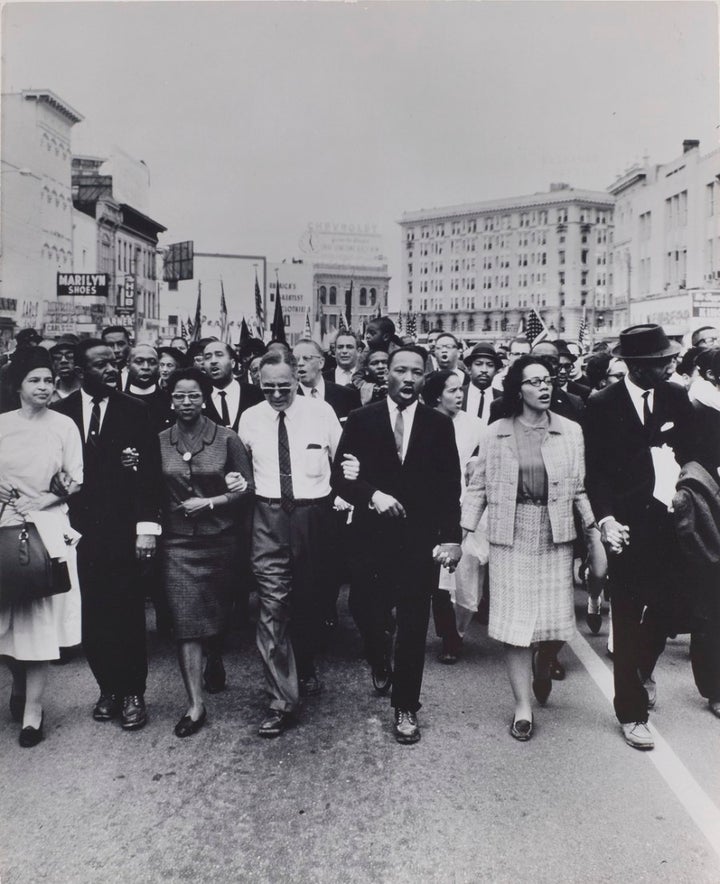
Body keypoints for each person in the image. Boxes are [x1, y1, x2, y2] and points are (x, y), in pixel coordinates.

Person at [461, 355, 597, 742]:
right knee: (516, 626)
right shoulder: (496, 433)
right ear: (517, 389)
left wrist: (592, 531)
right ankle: (522, 706)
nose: (544, 387)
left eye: (548, 380)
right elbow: (479, 487)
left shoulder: (570, 431)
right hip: (511, 531)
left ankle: (547, 658)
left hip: (557, 531)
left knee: (556, 622)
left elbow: (579, 487)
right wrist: (460, 537)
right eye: (534, 381)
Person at [332, 347, 462, 745]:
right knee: (367, 611)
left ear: (426, 378)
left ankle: (406, 706)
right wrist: (372, 495)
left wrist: (452, 539)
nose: (408, 378)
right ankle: (376, 653)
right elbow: (341, 479)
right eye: (400, 370)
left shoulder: (438, 425)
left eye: (416, 372)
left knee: (412, 625)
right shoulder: (360, 420)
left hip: (418, 542)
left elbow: (449, 487)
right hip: (370, 539)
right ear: (385, 374)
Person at [583, 324, 697, 750]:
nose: (670, 365)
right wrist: (607, 520)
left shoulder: (675, 395)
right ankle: (631, 712)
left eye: (669, 359)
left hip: (672, 524)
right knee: (628, 617)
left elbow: (691, 452)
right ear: (635, 366)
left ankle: (641, 671)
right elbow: (595, 472)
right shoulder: (601, 404)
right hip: (625, 528)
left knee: (668, 611)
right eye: (660, 362)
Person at [231, 349, 342, 737]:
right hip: (267, 516)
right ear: (257, 383)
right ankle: (281, 700)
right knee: (272, 605)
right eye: (268, 388)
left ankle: (306, 663)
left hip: (314, 516)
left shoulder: (322, 413)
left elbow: (343, 461)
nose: (276, 395)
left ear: (298, 378)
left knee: (311, 601)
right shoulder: (249, 418)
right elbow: (240, 468)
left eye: (284, 387)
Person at [52, 339, 162, 731]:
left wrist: (146, 529)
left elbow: (150, 478)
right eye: (100, 365)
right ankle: (108, 688)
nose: (111, 369)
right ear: (81, 370)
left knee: (127, 610)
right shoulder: (60, 414)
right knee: (93, 613)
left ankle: (133, 691)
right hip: (78, 532)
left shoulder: (136, 411)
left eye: (113, 363)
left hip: (123, 530)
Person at [158, 367, 254, 737]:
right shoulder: (160, 440)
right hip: (178, 543)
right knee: (185, 622)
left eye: (193, 396)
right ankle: (195, 705)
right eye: (179, 397)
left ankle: (215, 654)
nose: (186, 403)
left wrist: (211, 502)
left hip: (221, 540)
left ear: (205, 398)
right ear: (171, 400)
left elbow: (247, 489)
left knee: (216, 613)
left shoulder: (227, 439)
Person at [0, 348, 83, 747]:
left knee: (36, 620)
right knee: (7, 621)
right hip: (3, 525)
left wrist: (42, 502)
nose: (45, 387)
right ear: (18, 385)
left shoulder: (64, 426)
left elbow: (76, 480)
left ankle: (33, 711)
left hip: (47, 528)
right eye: (35, 380)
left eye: (49, 380)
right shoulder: (1, 425)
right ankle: (18, 686)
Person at [424, 370, 486, 663]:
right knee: (439, 573)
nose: (459, 395)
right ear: (437, 394)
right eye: (451, 390)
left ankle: (459, 629)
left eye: (461, 389)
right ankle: (449, 636)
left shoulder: (475, 426)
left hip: (466, 504)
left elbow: (480, 459)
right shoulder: (422, 421)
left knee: (466, 571)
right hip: (429, 505)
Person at [293, 338, 360, 423]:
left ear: (321, 362)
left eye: (306, 358)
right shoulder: (290, 397)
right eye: (296, 359)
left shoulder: (348, 396)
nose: (300, 363)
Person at [203, 340, 263, 432]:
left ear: (233, 363)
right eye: (208, 357)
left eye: (219, 355)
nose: (213, 361)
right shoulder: (201, 397)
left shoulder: (255, 394)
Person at [461, 343, 502, 427]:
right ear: (469, 369)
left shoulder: (503, 399)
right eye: (478, 364)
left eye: (490, 365)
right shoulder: (458, 394)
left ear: (496, 371)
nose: (484, 370)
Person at [49, 334, 81, 402]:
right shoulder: (47, 393)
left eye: (70, 356)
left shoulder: (88, 394)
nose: (63, 360)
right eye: (57, 356)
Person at [101, 326, 131, 391]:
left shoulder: (137, 372)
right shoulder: (98, 375)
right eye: (110, 345)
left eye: (120, 344)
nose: (116, 350)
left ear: (129, 344)